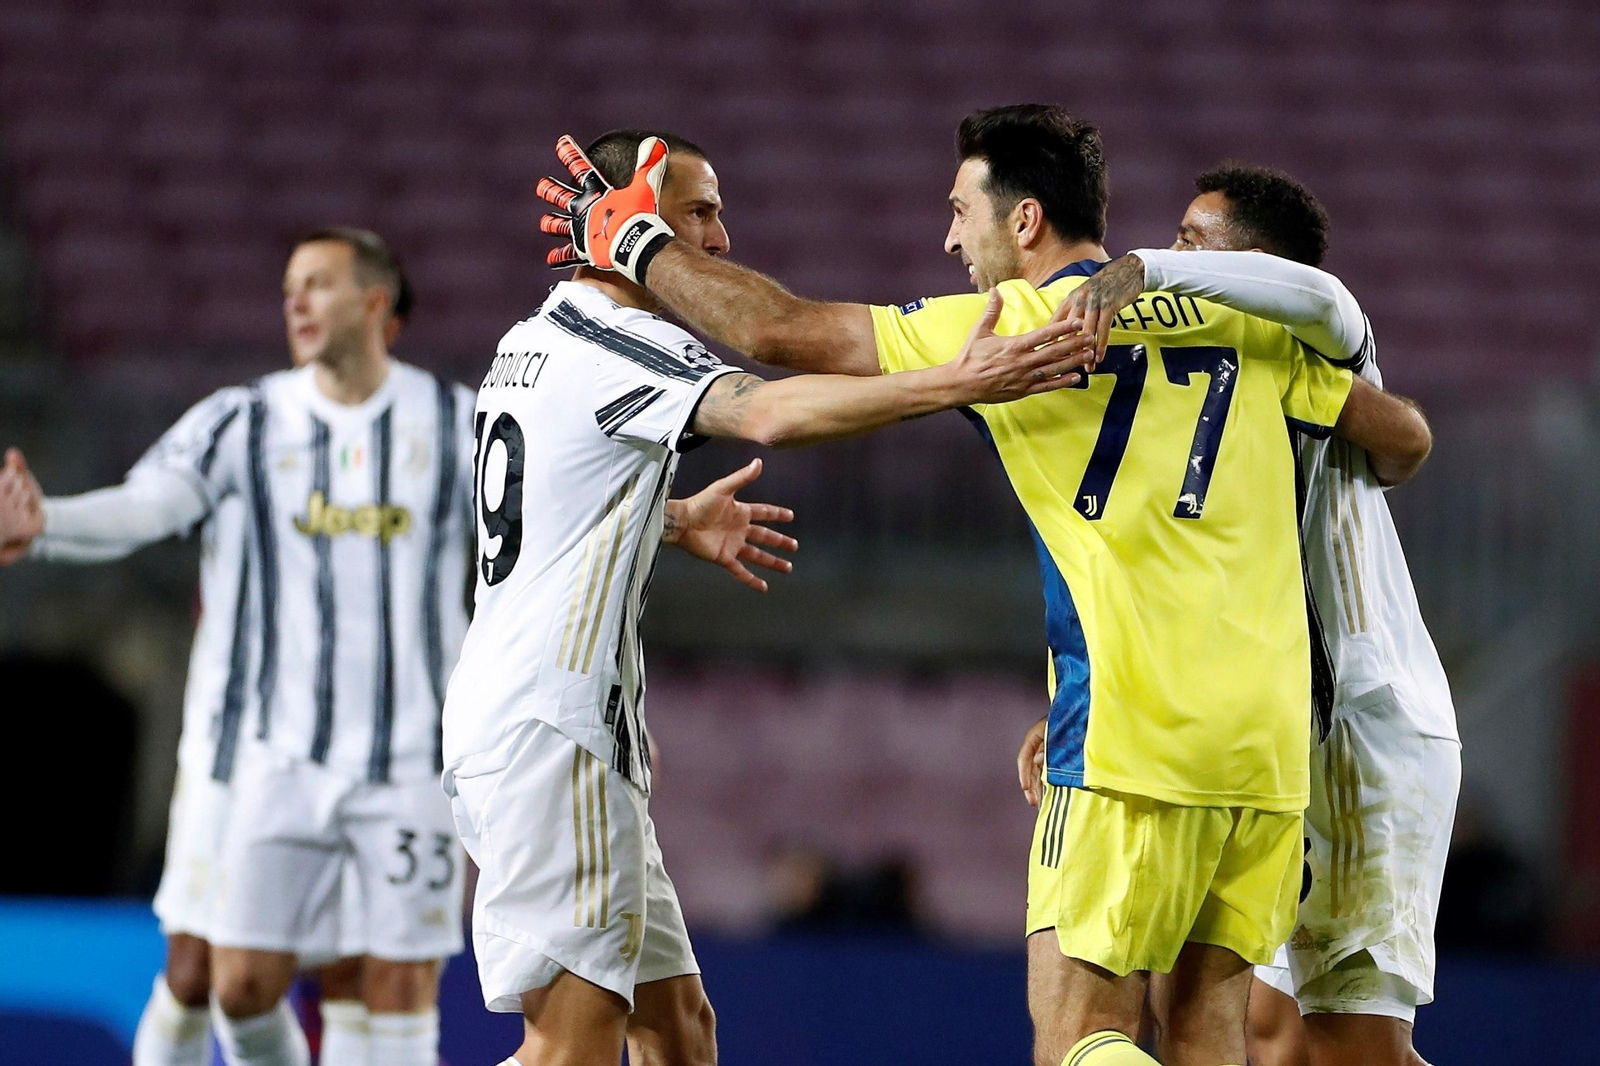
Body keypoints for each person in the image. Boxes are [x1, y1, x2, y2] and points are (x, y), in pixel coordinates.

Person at [534, 106, 1432, 1066]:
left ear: (1026, 222)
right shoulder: (1244, 326)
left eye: (963, 210)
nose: (948, 236)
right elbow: (1403, 436)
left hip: (1134, 733)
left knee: (1078, 1037)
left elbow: (779, 331)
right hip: (1269, 742)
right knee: (1206, 1031)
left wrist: (628, 240)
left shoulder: (1012, 325)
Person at [0, 228, 804, 1066]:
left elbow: (547, 498)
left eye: (316, 284)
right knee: (230, 982)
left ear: (376, 303)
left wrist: (672, 522)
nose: (295, 303)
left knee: (390, 986)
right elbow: (150, 503)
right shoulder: (242, 421)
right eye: (288, 289)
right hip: (274, 756)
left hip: (407, 757)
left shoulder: (450, 421)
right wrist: (49, 525)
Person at [444, 127, 1093, 1066]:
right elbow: (770, 409)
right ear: (633, 213)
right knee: (572, 1048)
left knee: (679, 1030)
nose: (718, 240)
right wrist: (952, 380)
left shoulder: (529, 343)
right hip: (555, 733)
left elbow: (537, 504)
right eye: (699, 211)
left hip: (530, 722)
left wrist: (663, 519)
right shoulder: (620, 342)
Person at [1049, 164, 1456, 1066]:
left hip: (1364, 722)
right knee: (1268, 1034)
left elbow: (1331, 312)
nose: (1174, 250)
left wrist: (1143, 271)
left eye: (1195, 238)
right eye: (1174, 239)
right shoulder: (1211, 386)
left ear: (1259, 265)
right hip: (1271, 739)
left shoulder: (1324, 344)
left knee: (1356, 1044)